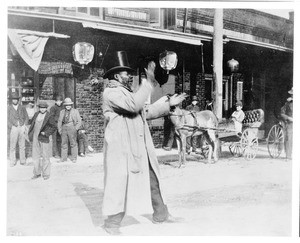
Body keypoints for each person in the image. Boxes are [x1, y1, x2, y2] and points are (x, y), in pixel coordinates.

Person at [102, 51, 187, 235]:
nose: (129, 75)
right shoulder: (110, 93)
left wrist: (168, 104)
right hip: (121, 145)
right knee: (119, 182)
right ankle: (112, 224)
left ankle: (161, 214)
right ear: (117, 76)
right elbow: (134, 105)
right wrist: (148, 82)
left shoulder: (126, 92)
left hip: (139, 144)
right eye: (125, 73)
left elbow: (144, 111)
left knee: (152, 177)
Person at [28, 101, 57, 180]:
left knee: (45, 156)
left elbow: (54, 127)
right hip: (35, 137)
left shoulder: (49, 116)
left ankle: (46, 174)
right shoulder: (36, 114)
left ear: (46, 108)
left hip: (44, 137)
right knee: (35, 156)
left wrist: (46, 133)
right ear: (39, 108)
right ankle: (37, 173)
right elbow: (32, 124)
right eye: (41, 108)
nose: (42, 109)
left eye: (44, 108)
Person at [7, 92, 29, 166]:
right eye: (13, 99)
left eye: (16, 99)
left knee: (22, 145)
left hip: (22, 127)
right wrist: (11, 126)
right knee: (12, 145)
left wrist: (25, 125)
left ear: (18, 100)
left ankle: (22, 160)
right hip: (14, 128)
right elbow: (6, 119)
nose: (15, 100)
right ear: (11, 100)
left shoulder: (22, 107)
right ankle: (12, 161)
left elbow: (26, 117)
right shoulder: (8, 108)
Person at [57, 98, 82, 163]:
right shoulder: (62, 112)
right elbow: (59, 121)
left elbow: (79, 121)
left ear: (71, 105)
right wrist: (59, 129)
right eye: (66, 105)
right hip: (64, 128)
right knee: (63, 144)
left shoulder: (75, 111)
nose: (68, 106)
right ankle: (63, 158)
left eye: (69, 105)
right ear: (65, 105)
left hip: (72, 127)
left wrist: (75, 128)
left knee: (73, 143)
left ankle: (74, 158)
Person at [280, 87, 293, 160]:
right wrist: (288, 118)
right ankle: (288, 156)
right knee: (289, 138)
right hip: (290, 123)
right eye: (291, 95)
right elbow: (282, 113)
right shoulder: (288, 103)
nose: (292, 96)